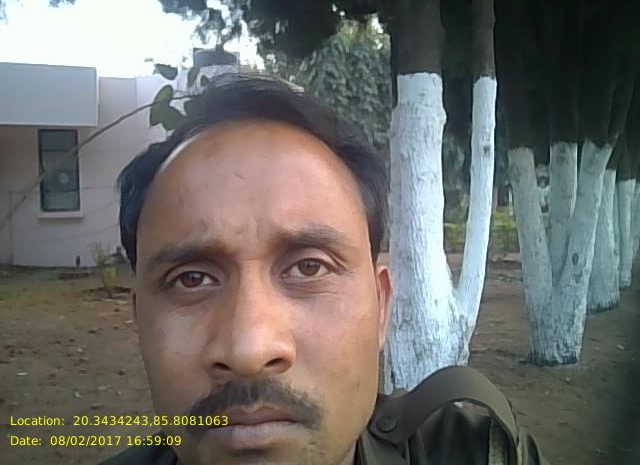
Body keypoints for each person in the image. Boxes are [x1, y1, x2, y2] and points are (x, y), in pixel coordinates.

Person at [104, 74, 547, 465]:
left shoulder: (480, 455)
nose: (250, 349)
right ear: (140, 321)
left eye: (309, 267)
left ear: (381, 307)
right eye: (192, 279)